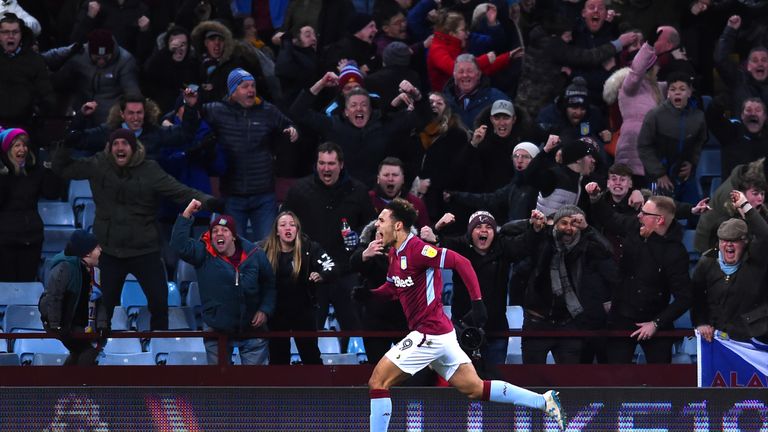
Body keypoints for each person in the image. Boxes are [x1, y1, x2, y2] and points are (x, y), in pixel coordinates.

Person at [364, 198, 565, 431]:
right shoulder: (395, 255)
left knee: (378, 382)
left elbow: (462, 262)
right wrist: (369, 294)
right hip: (442, 334)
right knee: (475, 388)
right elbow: (392, 288)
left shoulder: (418, 249)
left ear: (397, 225)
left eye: (381, 220)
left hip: (429, 333)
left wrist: (477, 302)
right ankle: (543, 401)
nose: (377, 225)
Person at [52, 128, 222, 331]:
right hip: (109, 251)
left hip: (145, 251)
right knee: (103, 307)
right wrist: (66, 145)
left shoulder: (149, 169)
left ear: (133, 148)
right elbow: (62, 168)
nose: (120, 147)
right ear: (110, 147)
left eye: (125, 143)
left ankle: (161, 346)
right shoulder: (98, 164)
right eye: (116, 144)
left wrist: (209, 202)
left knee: (160, 305)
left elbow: (180, 191)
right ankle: (97, 349)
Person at [183, 67, 298, 241]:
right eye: (245, 86)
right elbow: (190, 126)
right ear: (233, 91)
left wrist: (292, 130)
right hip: (232, 196)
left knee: (268, 250)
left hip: (263, 195)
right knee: (233, 251)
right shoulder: (217, 110)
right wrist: (189, 107)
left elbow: (288, 124)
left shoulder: (267, 110)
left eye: (253, 86)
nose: (251, 90)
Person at [586, 185, 693, 364]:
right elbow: (610, 219)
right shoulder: (635, 227)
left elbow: (685, 297)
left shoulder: (675, 252)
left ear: (659, 220)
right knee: (614, 376)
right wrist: (596, 198)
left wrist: (656, 323)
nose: (639, 216)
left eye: (644, 213)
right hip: (621, 316)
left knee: (660, 378)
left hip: (655, 319)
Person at [282, 142, 376, 337]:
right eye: (322, 163)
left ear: (341, 165)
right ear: (316, 165)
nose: (326, 168)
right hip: (311, 275)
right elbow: (284, 225)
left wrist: (358, 236)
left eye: (331, 163)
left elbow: (371, 226)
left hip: (347, 273)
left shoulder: (358, 191)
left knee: (357, 333)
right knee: (308, 337)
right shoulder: (299, 191)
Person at [171, 199, 276, 365]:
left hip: (252, 329)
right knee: (218, 386)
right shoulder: (203, 253)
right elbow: (178, 246)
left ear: (233, 237)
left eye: (224, 230)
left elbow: (270, 285)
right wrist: (187, 214)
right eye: (215, 231)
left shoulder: (255, 254)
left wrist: (265, 309)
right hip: (216, 328)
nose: (219, 234)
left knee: (255, 384)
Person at [260, 211, 337, 365]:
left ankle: (318, 388)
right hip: (276, 311)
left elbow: (331, 266)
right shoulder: (264, 249)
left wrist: (321, 275)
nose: (288, 228)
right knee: (278, 358)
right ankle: (280, 389)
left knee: (311, 356)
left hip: (304, 310)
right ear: (277, 231)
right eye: (283, 225)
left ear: (297, 229)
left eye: (292, 225)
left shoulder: (310, 248)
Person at [692, 191, 768, 343]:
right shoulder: (707, 262)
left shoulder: (756, 259)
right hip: (717, 337)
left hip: (754, 337)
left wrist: (746, 206)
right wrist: (701, 322)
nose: (728, 244)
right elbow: (697, 298)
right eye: (724, 240)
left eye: (734, 240)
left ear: (745, 242)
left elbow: (765, 235)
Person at [38, 230, 107, 366]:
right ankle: (81, 385)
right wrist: (56, 325)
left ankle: (67, 384)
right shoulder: (65, 268)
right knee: (88, 350)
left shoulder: (96, 272)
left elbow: (101, 302)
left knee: (80, 351)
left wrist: (102, 325)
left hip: (81, 323)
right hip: (63, 323)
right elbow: (54, 297)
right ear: (87, 252)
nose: (101, 250)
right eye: (97, 247)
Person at [637, 71, 706, 205]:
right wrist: (659, 174)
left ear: (690, 92)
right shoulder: (654, 115)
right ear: (668, 93)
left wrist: (692, 162)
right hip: (658, 177)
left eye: (682, 89)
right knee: (659, 213)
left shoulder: (698, 117)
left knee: (695, 212)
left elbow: (700, 142)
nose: (677, 93)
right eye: (673, 89)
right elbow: (644, 146)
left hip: (684, 176)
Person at [0, 128, 59, 281]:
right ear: (8, 150)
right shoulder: (3, 174)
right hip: (5, 240)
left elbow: (51, 193)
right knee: (7, 286)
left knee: (27, 284)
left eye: (25, 145)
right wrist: (4, 175)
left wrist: (49, 168)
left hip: (31, 238)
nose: (22, 149)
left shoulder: (35, 171)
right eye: (17, 146)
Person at [52, 28, 142, 125]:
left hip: (109, 119)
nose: (101, 61)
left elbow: (132, 93)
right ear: (90, 52)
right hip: (81, 113)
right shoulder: (79, 55)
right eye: (97, 58)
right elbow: (60, 80)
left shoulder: (125, 61)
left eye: (106, 57)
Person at [0, 13, 56, 130]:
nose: (10, 36)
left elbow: (46, 95)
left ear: (21, 35)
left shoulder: (35, 60)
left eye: (15, 32)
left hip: (25, 126)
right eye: (5, 32)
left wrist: (37, 114)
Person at [714, 15, 768, 117]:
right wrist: (729, 31)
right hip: (741, 131)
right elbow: (720, 60)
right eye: (755, 60)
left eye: (764, 60)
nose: (760, 63)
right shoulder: (738, 79)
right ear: (748, 66)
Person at [369, 157, 430, 229]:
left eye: (395, 175)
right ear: (378, 179)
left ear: (403, 179)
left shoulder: (416, 203)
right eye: (386, 175)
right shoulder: (367, 199)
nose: (390, 179)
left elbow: (425, 233)